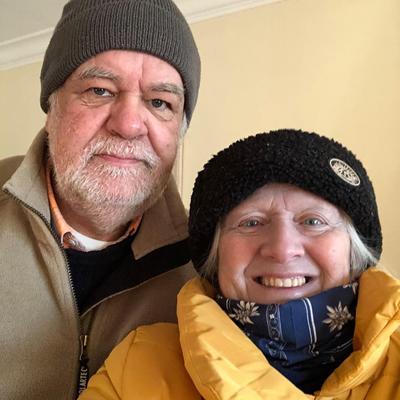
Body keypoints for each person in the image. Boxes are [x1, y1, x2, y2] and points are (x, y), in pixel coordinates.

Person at [79, 129, 400, 399]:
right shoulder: (139, 367)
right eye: (251, 222)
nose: (282, 249)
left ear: (355, 251)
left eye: (313, 221)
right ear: (215, 257)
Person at [0, 0, 200, 399]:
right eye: (99, 90)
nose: (129, 125)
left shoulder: (211, 266)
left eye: (160, 102)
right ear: (52, 107)